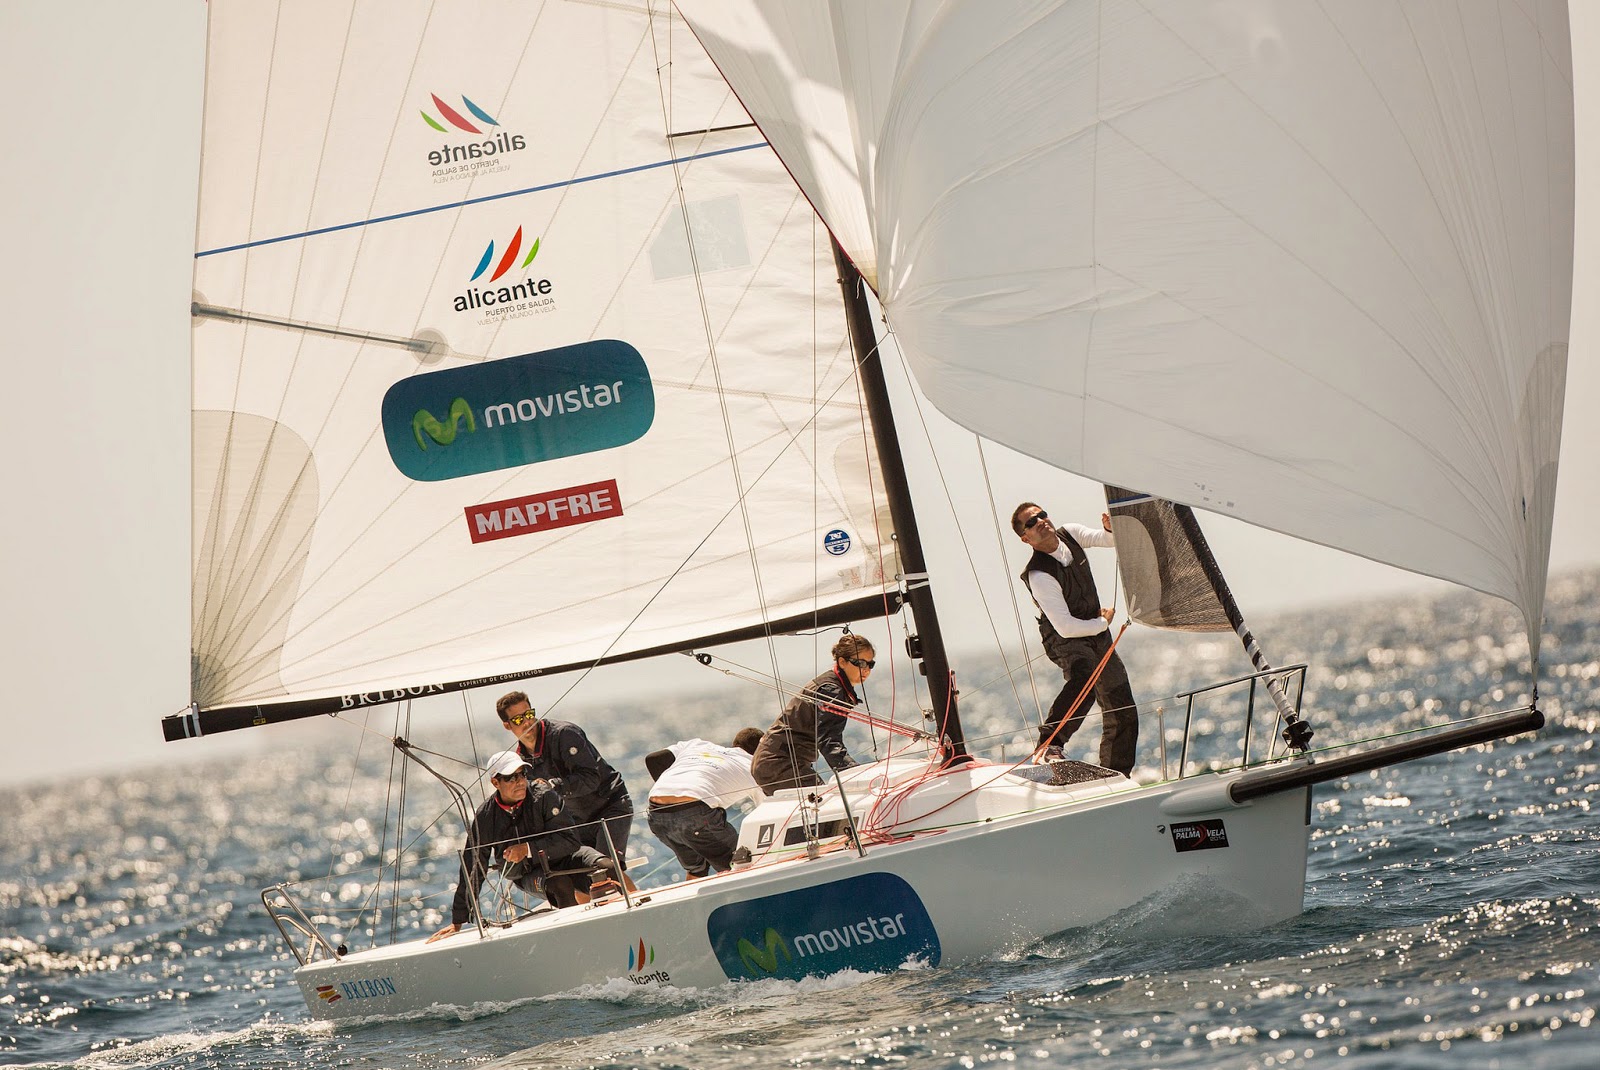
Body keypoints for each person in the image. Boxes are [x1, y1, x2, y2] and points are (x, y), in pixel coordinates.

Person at [427, 749, 622, 941]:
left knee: (607, 867)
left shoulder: (544, 795)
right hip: (530, 872)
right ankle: (577, 941)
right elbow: (473, 867)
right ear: (495, 782)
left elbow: (570, 840)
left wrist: (527, 849)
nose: (520, 781)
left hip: (565, 857)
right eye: (511, 777)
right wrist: (458, 920)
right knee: (560, 884)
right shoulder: (485, 817)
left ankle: (619, 930)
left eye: (522, 774)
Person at [1012, 501, 1140, 775]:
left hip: (1095, 631)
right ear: (1025, 538)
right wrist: (1103, 622)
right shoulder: (1039, 574)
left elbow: (1108, 540)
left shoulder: (1070, 533)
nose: (1041, 521)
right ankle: (1050, 744)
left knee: (1122, 706)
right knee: (1085, 678)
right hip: (1064, 639)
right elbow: (1066, 628)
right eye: (1031, 522)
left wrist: (1111, 530)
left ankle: (1117, 775)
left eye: (1042, 515)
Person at [496, 690, 635, 860]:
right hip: (577, 822)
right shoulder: (521, 761)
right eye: (518, 719)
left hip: (610, 807)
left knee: (607, 867)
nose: (527, 722)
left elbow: (591, 778)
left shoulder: (565, 734)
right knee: (579, 873)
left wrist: (553, 785)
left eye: (529, 714)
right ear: (507, 725)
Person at [750, 635, 872, 794]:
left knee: (822, 801)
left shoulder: (834, 686)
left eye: (870, 664)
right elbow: (828, 741)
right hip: (779, 763)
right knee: (823, 802)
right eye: (861, 663)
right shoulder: (831, 690)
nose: (866, 669)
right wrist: (855, 774)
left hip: (774, 761)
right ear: (842, 662)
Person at [645, 728, 763, 879]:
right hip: (695, 815)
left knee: (697, 870)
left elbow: (653, 759)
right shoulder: (753, 765)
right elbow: (767, 810)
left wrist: (675, 796)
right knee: (743, 864)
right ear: (760, 751)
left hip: (656, 815)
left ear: (735, 744)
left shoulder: (697, 745)